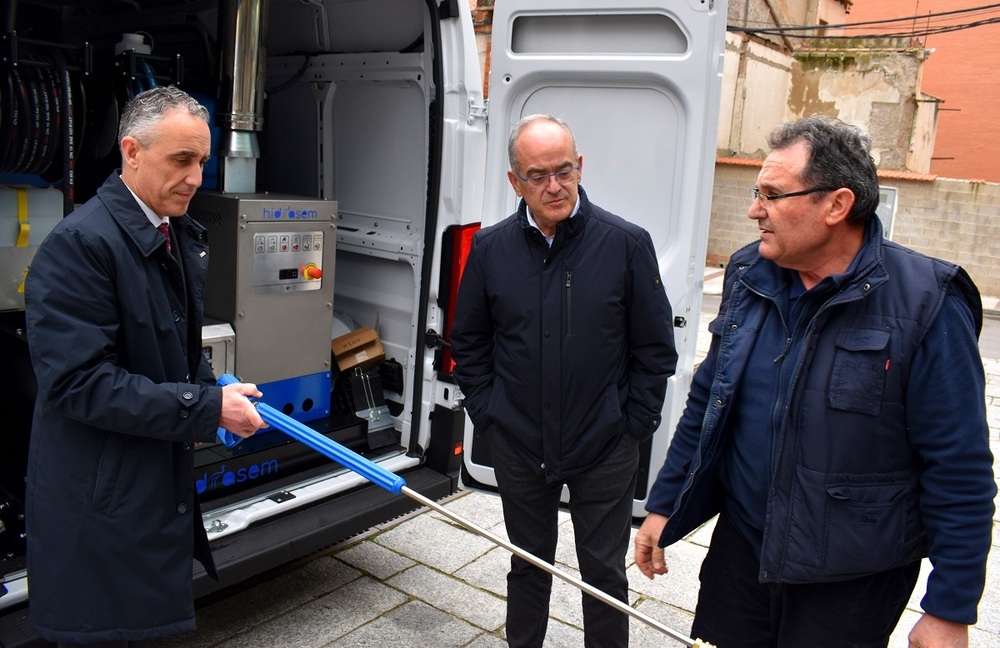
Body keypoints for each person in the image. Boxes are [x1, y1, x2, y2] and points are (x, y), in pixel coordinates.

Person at [634, 115, 996, 647]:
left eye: (772, 195)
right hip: (744, 556)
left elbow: (959, 466)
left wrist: (951, 607)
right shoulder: (748, 275)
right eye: (758, 192)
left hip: (851, 578)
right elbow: (710, 403)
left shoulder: (928, 302)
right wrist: (665, 503)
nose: (754, 209)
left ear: (836, 205)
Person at [23, 85, 267, 647]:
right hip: (100, 506)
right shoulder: (80, 245)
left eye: (202, 160)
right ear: (131, 152)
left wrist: (217, 393)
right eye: (181, 160)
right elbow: (78, 384)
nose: (196, 178)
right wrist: (205, 407)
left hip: (141, 490)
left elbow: (172, 350)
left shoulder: (168, 229)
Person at [450, 114, 677, 647]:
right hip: (520, 443)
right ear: (514, 181)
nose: (554, 186)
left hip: (605, 445)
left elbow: (654, 348)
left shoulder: (625, 244)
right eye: (537, 175)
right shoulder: (490, 249)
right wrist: (492, 413)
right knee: (529, 565)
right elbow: (470, 342)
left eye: (564, 170)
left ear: (580, 167)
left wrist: (633, 425)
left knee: (604, 575)